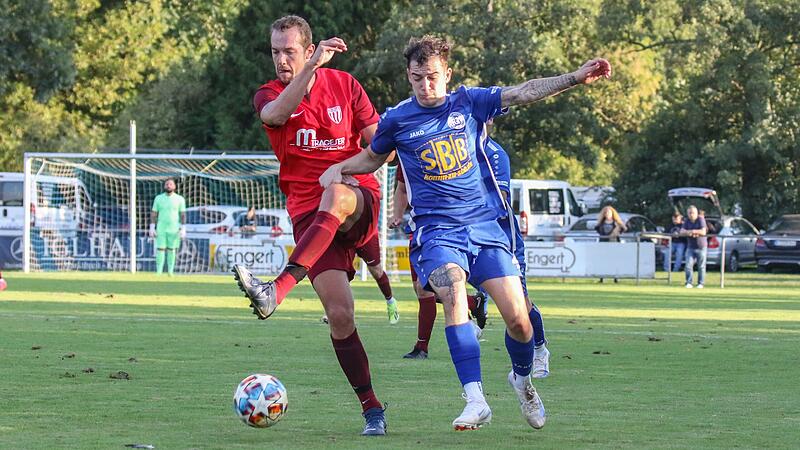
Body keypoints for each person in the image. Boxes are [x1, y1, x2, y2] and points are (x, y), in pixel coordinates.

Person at [320, 35, 610, 430]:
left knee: (519, 321)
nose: (426, 85)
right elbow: (373, 157)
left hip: (486, 228)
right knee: (454, 294)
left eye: (433, 77)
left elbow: (523, 92)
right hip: (439, 233)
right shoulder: (398, 119)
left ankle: (521, 379)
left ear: (448, 74)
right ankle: (474, 399)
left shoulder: (469, 102)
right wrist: (341, 169)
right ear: (409, 75)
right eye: (418, 78)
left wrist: (574, 78)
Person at [231, 15, 387, 435]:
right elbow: (276, 114)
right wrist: (310, 70)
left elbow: (381, 148)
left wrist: (345, 168)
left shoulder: (346, 85)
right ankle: (372, 408)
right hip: (308, 215)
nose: (282, 60)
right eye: (276, 52)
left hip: (358, 199)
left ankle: (275, 291)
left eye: (290, 52)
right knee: (340, 313)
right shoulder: (269, 93)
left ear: (308, 48)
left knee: (335, 194)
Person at [149, 178, 186, 276]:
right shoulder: (158, 198)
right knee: (160, 249)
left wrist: (183, 228)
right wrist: (152, 227)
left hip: (174, 228)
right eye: (167, 184)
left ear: (174, 186)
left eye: (170, 184)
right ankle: (159, 272)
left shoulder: (180, 199)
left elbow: (182, 214)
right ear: (164, 186)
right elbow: (154, 213)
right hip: (161, 228)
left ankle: (170, 272)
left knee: (171, 249)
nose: (168, 186)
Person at [595, 205, 626, 283]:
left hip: (614, 243)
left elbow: (624, 228)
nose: (607, 214)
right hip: (603, 243)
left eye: (609, 212)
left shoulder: (616, 223)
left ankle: (615, 278)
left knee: (614, 260)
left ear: (612, 213)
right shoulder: (601, 223)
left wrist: (617, 232)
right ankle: (601, 278)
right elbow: (597, 229)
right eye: (606, 213)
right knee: (603, 261)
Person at [681, 205, 708, 288]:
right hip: (690, 247)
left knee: (701, 266)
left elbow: (703, 232)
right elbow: (682, 231)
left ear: (696, 213)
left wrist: (692, 231)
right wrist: (689, 232)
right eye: (689, 213)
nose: (691, 214)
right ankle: (688, 282)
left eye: (693, 213)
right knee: (688, 265)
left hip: (701, 247)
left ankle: (701, 283)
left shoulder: (701, 219)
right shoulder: (687, 221)